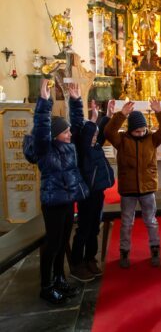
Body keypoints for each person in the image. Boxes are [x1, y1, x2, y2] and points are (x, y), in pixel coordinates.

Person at [32, 79, 89, 304]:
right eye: (64, 132)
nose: (69, 134)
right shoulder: (44, 149)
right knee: (53, 244)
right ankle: (46, 286)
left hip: (66, 200)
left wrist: (76, 101)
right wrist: (44, 102)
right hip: (53, 202)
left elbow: (77, 124)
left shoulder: (68, 146)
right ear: (55, 135)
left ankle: (59, 278)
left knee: (63, 241)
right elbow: (40, 129)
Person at [104, 98, 161, 268]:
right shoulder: (121, 141)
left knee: (151, 220)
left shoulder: (152, 139)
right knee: (127, 222)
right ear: (130, 130)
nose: (141, 134)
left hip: (147, 188)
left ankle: (155, 249)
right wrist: (121, 115)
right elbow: (108, 132)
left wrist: (159, 112)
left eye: (143, 130)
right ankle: (124, 252)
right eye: (137, 131)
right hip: (128, 189)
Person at [68, 90, 115, 282]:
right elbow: (80, 126)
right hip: (86, 195)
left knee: (95, 227)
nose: (96, 138)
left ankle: (90, 259)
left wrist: (108, 116)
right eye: (93, 135)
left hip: (98, 194)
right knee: (84, 229)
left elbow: (100, 133)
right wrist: (76, 101)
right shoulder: (81, 150)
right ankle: (77, 264)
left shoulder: (94, 145)